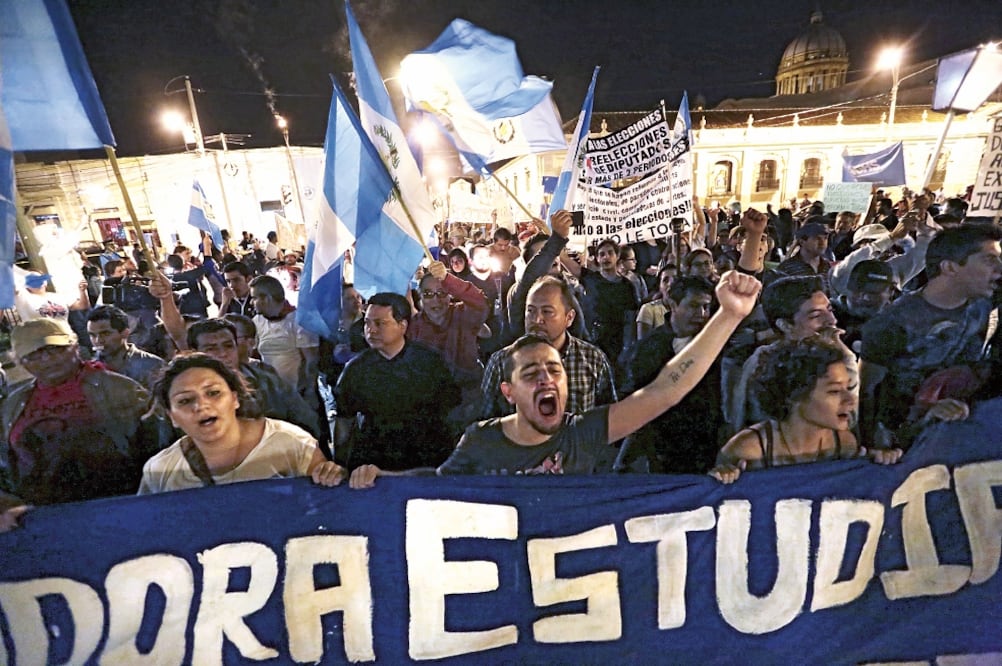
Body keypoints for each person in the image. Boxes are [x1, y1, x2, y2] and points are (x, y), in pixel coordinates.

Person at [348, 270, 761, 485]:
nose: (547, 379)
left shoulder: (583, 432)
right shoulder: (481, 442)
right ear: (508, 391)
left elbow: (665, 391)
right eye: (531, 372)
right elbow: (437, 483)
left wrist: (729, 315)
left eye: (554, 370)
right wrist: (384, 479)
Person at [860, 224, 1002, 446]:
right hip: (907, 446)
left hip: (965, 433)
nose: (999, 269)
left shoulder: (985, 303)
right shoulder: (891, 323)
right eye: (989, 260)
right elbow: (866, 395)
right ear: (950, 267)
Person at [0, 318, 153, 519]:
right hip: (43, 515)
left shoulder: (121, 389)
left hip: (118, 507)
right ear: (21, 362)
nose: (47, 359)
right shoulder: (13, 403)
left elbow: (157, 449)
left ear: (75, 345)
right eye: (34, 354)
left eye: (55, 349)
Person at [138, 353, 344, 493]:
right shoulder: (159, 472)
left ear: (235, 398)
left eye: (213, 393)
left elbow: (327, 506)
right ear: (172, 416)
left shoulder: (292, 443)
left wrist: (333, 476)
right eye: (185, 401)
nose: (201, 406)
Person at [711, 338, 903, 483]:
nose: (850, 399)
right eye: (835, 391)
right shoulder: (747, 449)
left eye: (848, 388)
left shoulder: (844, 444)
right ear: (794, 395)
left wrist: (878, 462)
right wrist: (723, 477)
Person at [333, 292, 461, 472]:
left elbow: (450, 411)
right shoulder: (356, 369)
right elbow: (344, 421)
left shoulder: (429, 362)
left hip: (425, 460)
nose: (371, 330)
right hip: (373, 462)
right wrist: (340, 465)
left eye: (380, 323)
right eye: (367, 323)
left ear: (402, 326)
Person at [618, 276, 722, 474]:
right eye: (693, 306)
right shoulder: (647, 349)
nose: (701, 314)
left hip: (707, 449)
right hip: (662, 453)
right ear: (673, 304)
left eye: (706, 307)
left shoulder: (715, 345)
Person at [480, 275, 616, 420]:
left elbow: (609, 419)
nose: (537, 319)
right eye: (531, 311)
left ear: (569, 317)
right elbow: (484, 421)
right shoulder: (501, 362)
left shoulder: (592, 359)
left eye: (547, 312)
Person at [250, 274, 319, 395]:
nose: (251, 302)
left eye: (254, 298)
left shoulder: (300, 321)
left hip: (298, 393)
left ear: (267, 298)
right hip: (272, 392)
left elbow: (311, 361)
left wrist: (309, 390)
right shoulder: (257, 321)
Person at [86, 305, 165, 386]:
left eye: (105, 334)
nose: (98, 341)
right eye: (92, 335)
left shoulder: (151, 365)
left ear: (125, 333)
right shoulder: (88, 369)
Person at [14, 272, 90, 322]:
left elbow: (82, 306)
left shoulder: (58, 297)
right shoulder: (22, 298)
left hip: (65, 336)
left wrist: (82, 291)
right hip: (39, 339)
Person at [635, 268, 673, 341]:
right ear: (659, 286)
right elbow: (643, 343)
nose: (670, 284)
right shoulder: (649, 309)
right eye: (665, 280)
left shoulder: (686, 309)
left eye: (675, 279)